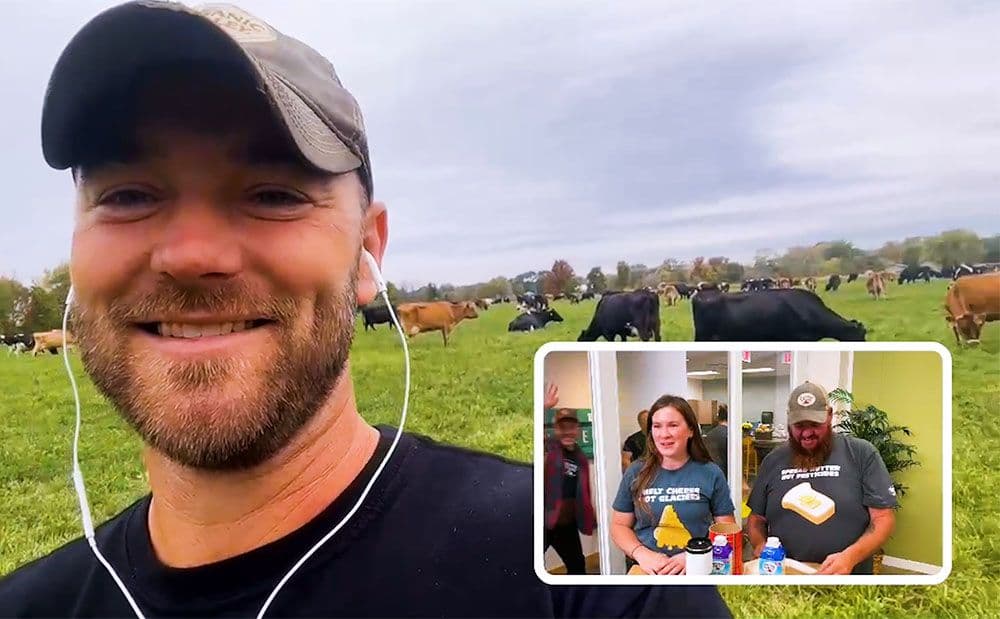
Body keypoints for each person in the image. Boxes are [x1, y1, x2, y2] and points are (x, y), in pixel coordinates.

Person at [0, 3, 733, 617]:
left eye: (274, 193)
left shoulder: (596, 593)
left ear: (367, 252)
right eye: (127, 194)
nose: (192, 252)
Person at [747, 381, 897, 575]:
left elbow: (883, 518)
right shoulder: (773, 460)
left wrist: (850, 557)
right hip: (785, 575)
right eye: (799, 425)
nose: (807, 433)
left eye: (815, 425)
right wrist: (760, 544)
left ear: (829, 416)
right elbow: (756, 519)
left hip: (848, 576)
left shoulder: (861, 453)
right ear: (789, 422)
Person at [611, 395, 737, 575]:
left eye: (673, 425)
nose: (664, 434)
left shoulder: (710, 472)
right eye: (657, 426)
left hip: (697, 567)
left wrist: (694, 555)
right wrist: (642, 554)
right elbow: (618, 526)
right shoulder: (635, 472)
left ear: (691, 430)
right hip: (648, 569)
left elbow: (727, 531)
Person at [542, 404, 596, 575]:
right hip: (544, 521)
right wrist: (542, 407)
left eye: (571, 427)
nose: (567, 432)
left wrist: (590, 516)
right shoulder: (549, 447)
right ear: (556, 429)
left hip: (566, 524)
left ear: (577, 429)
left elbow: (583, 491)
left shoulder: (580, 456)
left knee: (577, 567)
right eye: (562, 427)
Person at [703, 404, 729, 475]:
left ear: (718, 418)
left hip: (709, 473)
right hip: (725, 475)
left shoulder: (709, 435)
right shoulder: (730, 435)